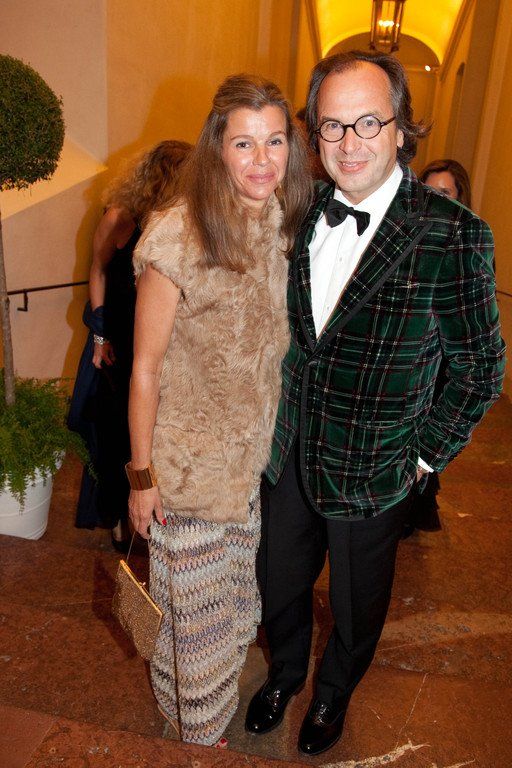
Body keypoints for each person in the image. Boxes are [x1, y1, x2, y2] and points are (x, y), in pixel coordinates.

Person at [245, 51, 505, 757]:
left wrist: (422, 458)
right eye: (332, 125)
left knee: (357, 605)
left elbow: (481, 369)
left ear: (400, 128)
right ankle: (285, 675)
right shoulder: (298, 210)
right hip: (290, 451)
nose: (349, 142)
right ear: (315, 133)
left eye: (367, 122)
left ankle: (333, 692)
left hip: (378, 468)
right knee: (279, 583)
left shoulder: (453, 233)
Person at [126, 74, 312, 747]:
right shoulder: (178, 235)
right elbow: (145, 369)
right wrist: (141, 478)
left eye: (274, 141)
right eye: (243, 143)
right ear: (217, 149)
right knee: (201, 631)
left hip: (247, 476)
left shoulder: (283, 231)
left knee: (228, 617)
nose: (261, 159)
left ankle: (182, 714)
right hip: (186, 477)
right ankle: (201, 741)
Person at [68, 141, 191, 549]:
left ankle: (154, 511)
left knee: (151, 431)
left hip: (158, 338)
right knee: (120, 433)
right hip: (119, 339)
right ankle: (121, 517)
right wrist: (99, 334)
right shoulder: (120, 217)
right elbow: (98, 268)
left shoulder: (178, 222)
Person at [402, 158, 473, 534]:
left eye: (444, 193)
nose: (434, 200)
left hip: (443, 365)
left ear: (461, 199)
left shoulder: (468, 246)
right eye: (427, 192)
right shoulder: (407, 242)